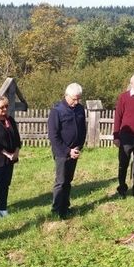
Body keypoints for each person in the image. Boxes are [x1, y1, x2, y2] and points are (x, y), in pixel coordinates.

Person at [48, 83, 87, 219]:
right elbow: (53, 135)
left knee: (68, 181)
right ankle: (56, 210)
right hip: (61, 152)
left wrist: (78, 147)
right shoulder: (57, 111)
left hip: (75, 151)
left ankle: (65, 207)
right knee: (61, 181)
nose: (76, 102)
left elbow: (83, 129)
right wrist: (67, 151)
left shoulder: (80, 109)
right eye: (73, 99)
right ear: (66, 96)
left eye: (78, 99)